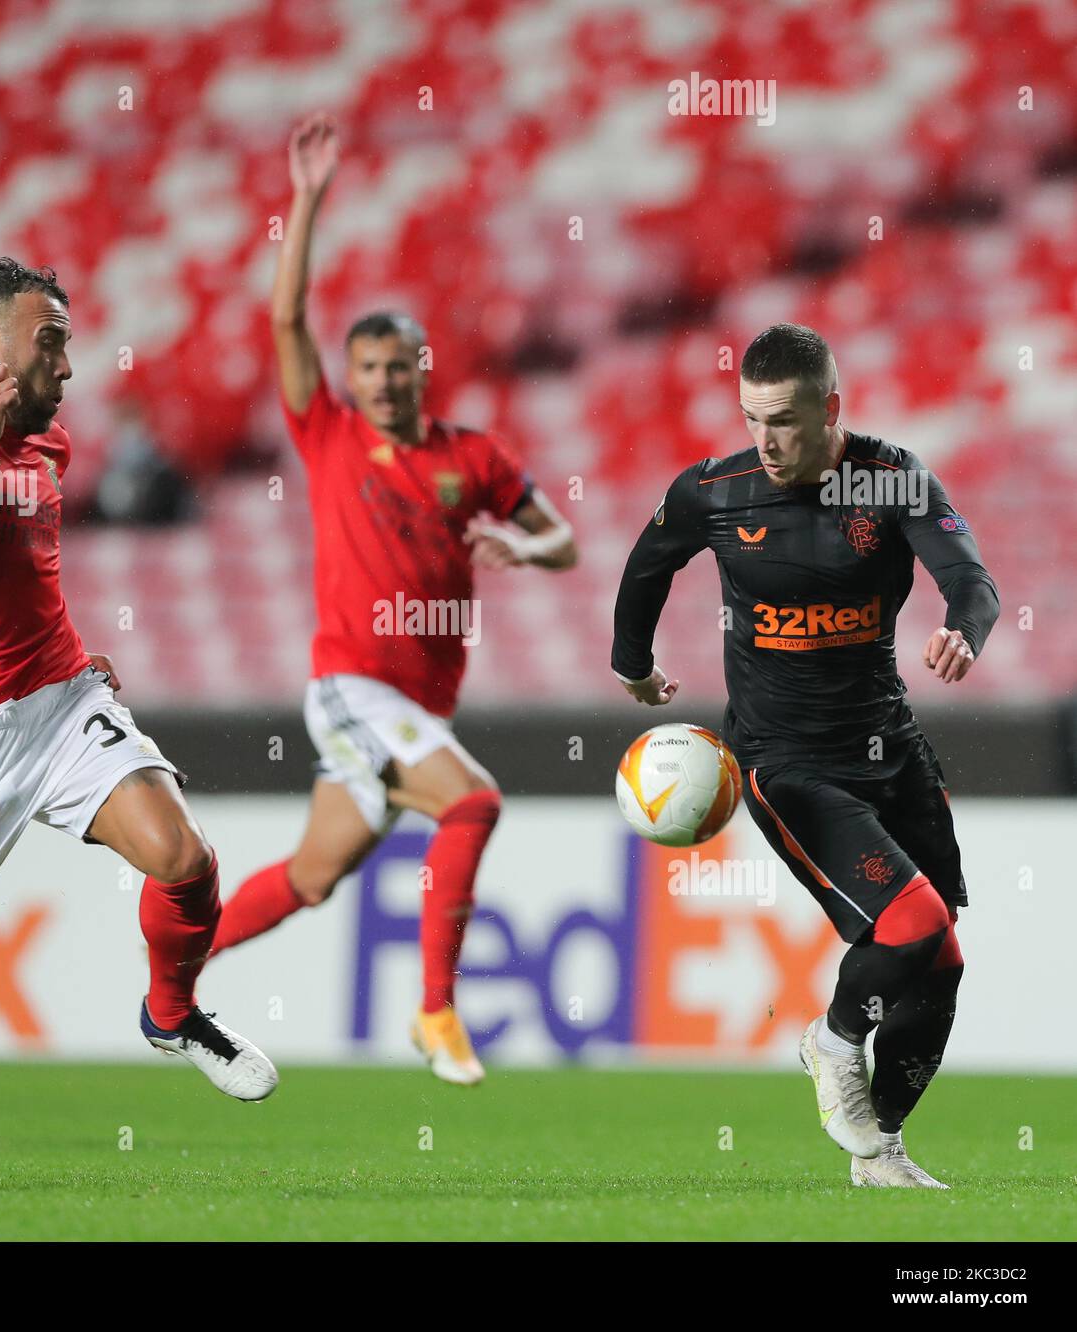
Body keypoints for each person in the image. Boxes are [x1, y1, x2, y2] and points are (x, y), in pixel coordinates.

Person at [0, 257, 276, 1181]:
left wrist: (74, 656)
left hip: (58, 702)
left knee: (184, 859)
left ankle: (171, 1011)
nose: (68, 367)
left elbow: (25, 577)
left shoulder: (52, 448)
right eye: (53, 341)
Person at [210, 116, 578, 1086]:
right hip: (349, 687)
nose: (375, 382)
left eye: (391, 367)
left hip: (417, 704)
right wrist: (308, 202)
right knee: (473, 805)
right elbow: (286, 324)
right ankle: (434, 1013)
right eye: (363, 368)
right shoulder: (327, 435)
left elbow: (564, 539)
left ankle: (178, 964)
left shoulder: (476, 457)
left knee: (312, 875)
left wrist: (522, 547)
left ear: (421, 370)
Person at [612, 323, 999, 1186]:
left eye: (784, 420)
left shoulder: (891, 482)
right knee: (915, 924)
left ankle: (883, 1151)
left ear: (831, 408)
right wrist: (632, 665)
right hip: (785, 762)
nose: (766, 441)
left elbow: (972, 578)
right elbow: (646, 567)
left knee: (941, 965)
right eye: (752, 419)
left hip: (890, 746)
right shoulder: (717, 492)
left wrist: (962, 631)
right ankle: (830, 1040)